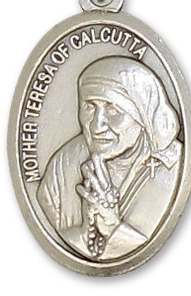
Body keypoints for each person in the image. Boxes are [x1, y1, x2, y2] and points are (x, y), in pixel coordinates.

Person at [37, 57, 182, 261]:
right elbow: (54, 234)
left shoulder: (174, 167)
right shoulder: (64, 164)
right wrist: (84, 232)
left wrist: (114, 228)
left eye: (113, 109)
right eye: (89, 107)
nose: (97, 126)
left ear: (143, 116)